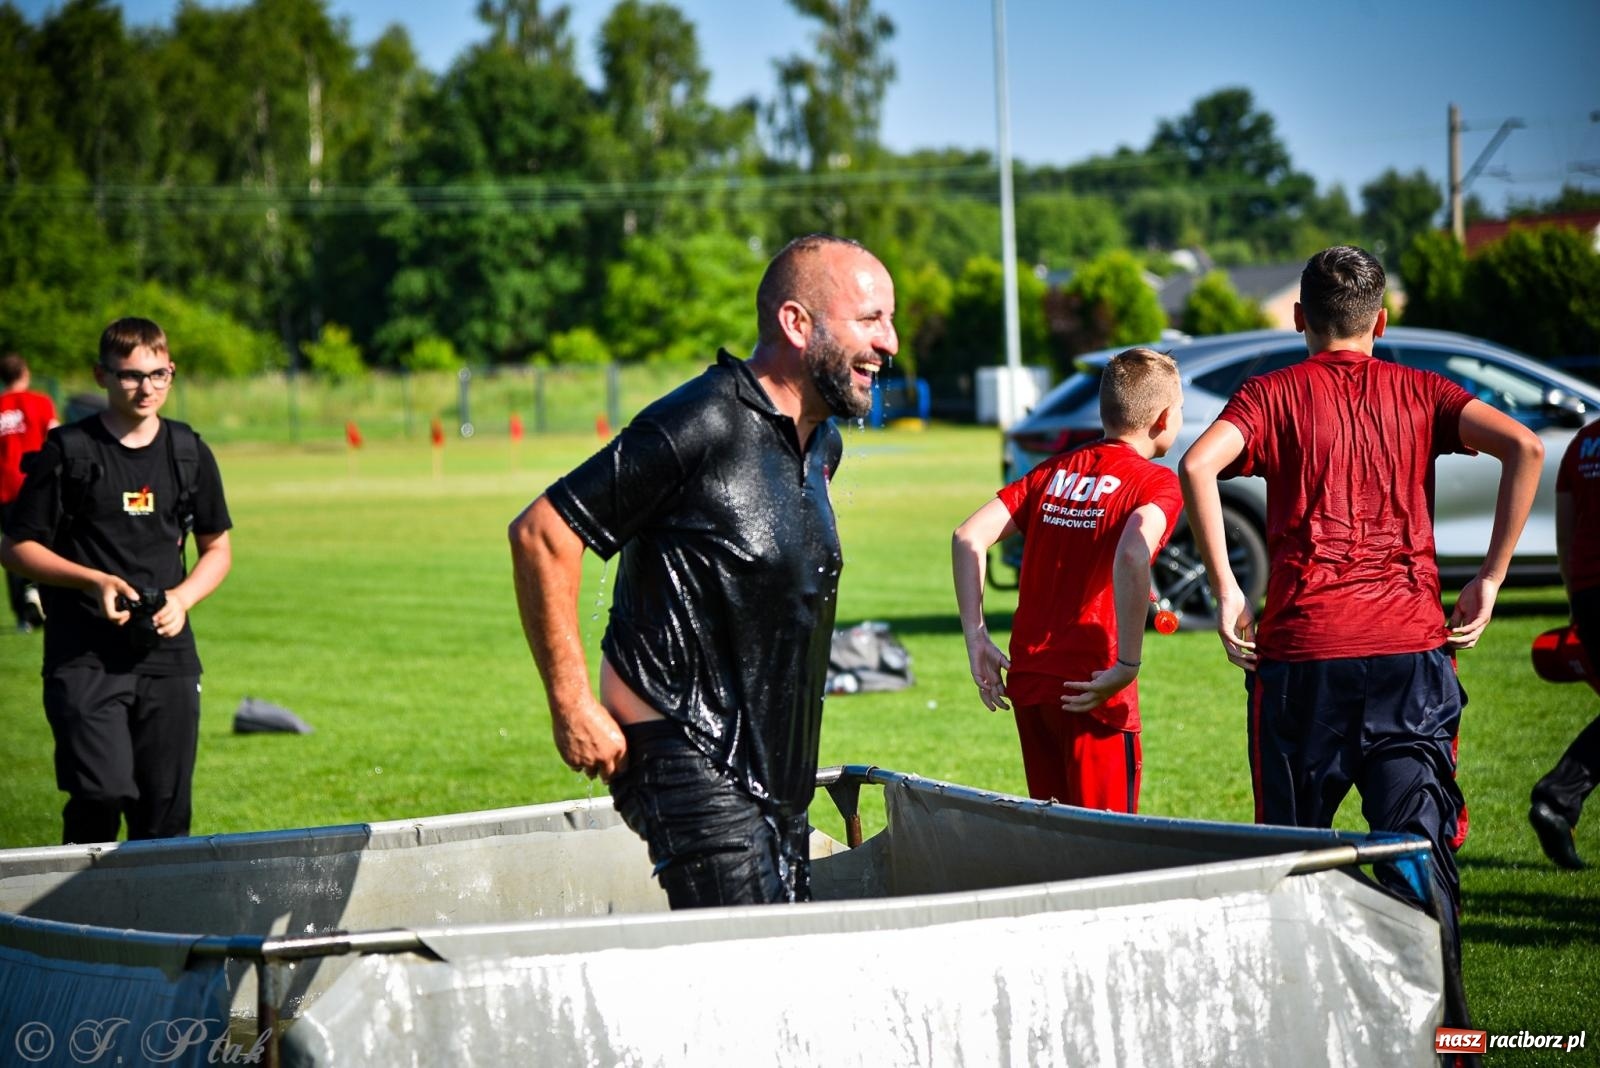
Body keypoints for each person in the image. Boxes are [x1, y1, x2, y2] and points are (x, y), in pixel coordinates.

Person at [1178, 245, 1543, 1027]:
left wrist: (1229, 586)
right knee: (1417, 857)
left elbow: (1198, 465)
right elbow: (1529, 446)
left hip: (1302, 661)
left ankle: (1301, 1031)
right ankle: (1450, 1035)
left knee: (1288, 863)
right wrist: (1491, 576)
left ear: (1300, 319)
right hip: (1409, 657)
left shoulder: (1269, 393)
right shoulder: (1423, 388)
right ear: (1382, 320)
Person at [508, 233, 896, 909]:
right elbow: (543, 533)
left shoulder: (819, 445)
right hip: (686, 752)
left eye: (888, 321)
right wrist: (572, 703)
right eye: (870, 320)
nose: (889, 342)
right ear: (796, 323)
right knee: (750, 963)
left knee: (771, 957)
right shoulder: (702, 421)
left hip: (778, 771)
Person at [0, 318, 233, 845]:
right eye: (130, 376)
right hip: (84, 656)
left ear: (171, 372)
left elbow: (217, 549)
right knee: (101, 795)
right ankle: (78, 921)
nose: (146, 388)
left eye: (158, 374)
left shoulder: (188, 452)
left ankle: (159, 927)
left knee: (165, 819)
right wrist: (93, 582)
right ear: (101, 376)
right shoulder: (69, 452)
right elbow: (15, 546)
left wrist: (183, 597)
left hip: (167, 657)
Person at [951, 348, 1185, 812]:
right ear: (1163, 418)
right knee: (1105, 851)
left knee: (1057, 837)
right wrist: (1128, 665)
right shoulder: (1156, 483)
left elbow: (968, 536)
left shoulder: (1053, 470)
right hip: (1093, 687)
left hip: (1032, 681)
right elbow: (1134, 553)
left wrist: (977, 637)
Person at [1528, 416, 1600, 869]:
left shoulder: (1584, 445)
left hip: (1590, 591)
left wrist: (1574, 596)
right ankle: (1558, 796)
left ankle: (1558, 800)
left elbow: (1565, 532)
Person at [1, 352, 60, 632]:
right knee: (46, 545)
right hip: (39, 486)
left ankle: (23, 615)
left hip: (5, 488)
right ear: (25, 372)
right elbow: (56, 439)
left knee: (12, 548)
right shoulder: (41, 402)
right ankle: (42, 597)